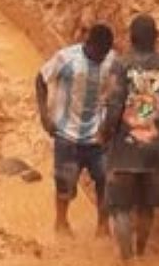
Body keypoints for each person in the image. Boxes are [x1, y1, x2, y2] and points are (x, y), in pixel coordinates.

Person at [102, 14, 159, 261]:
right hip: (155, 151)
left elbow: (113, 107)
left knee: (120, 207)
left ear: (131, 38)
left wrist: (104, 133)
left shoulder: (120, 66)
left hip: (124, 150)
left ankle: (127, 261)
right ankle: (141, 254)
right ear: (155, 38)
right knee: (146, 208)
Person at [35, 23, 120, 236]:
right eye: (97, 53)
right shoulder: (66, 58)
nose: (101, 57)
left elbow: (114, 95)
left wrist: (108, 127)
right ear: (87, 44)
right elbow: (40, 79)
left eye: (104, 53)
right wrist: (45, 116)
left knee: (105, 180)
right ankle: (61, 224)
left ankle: (102, 226)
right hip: (67, 135)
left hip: (97, 137)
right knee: (65, 183)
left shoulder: (112, 60)